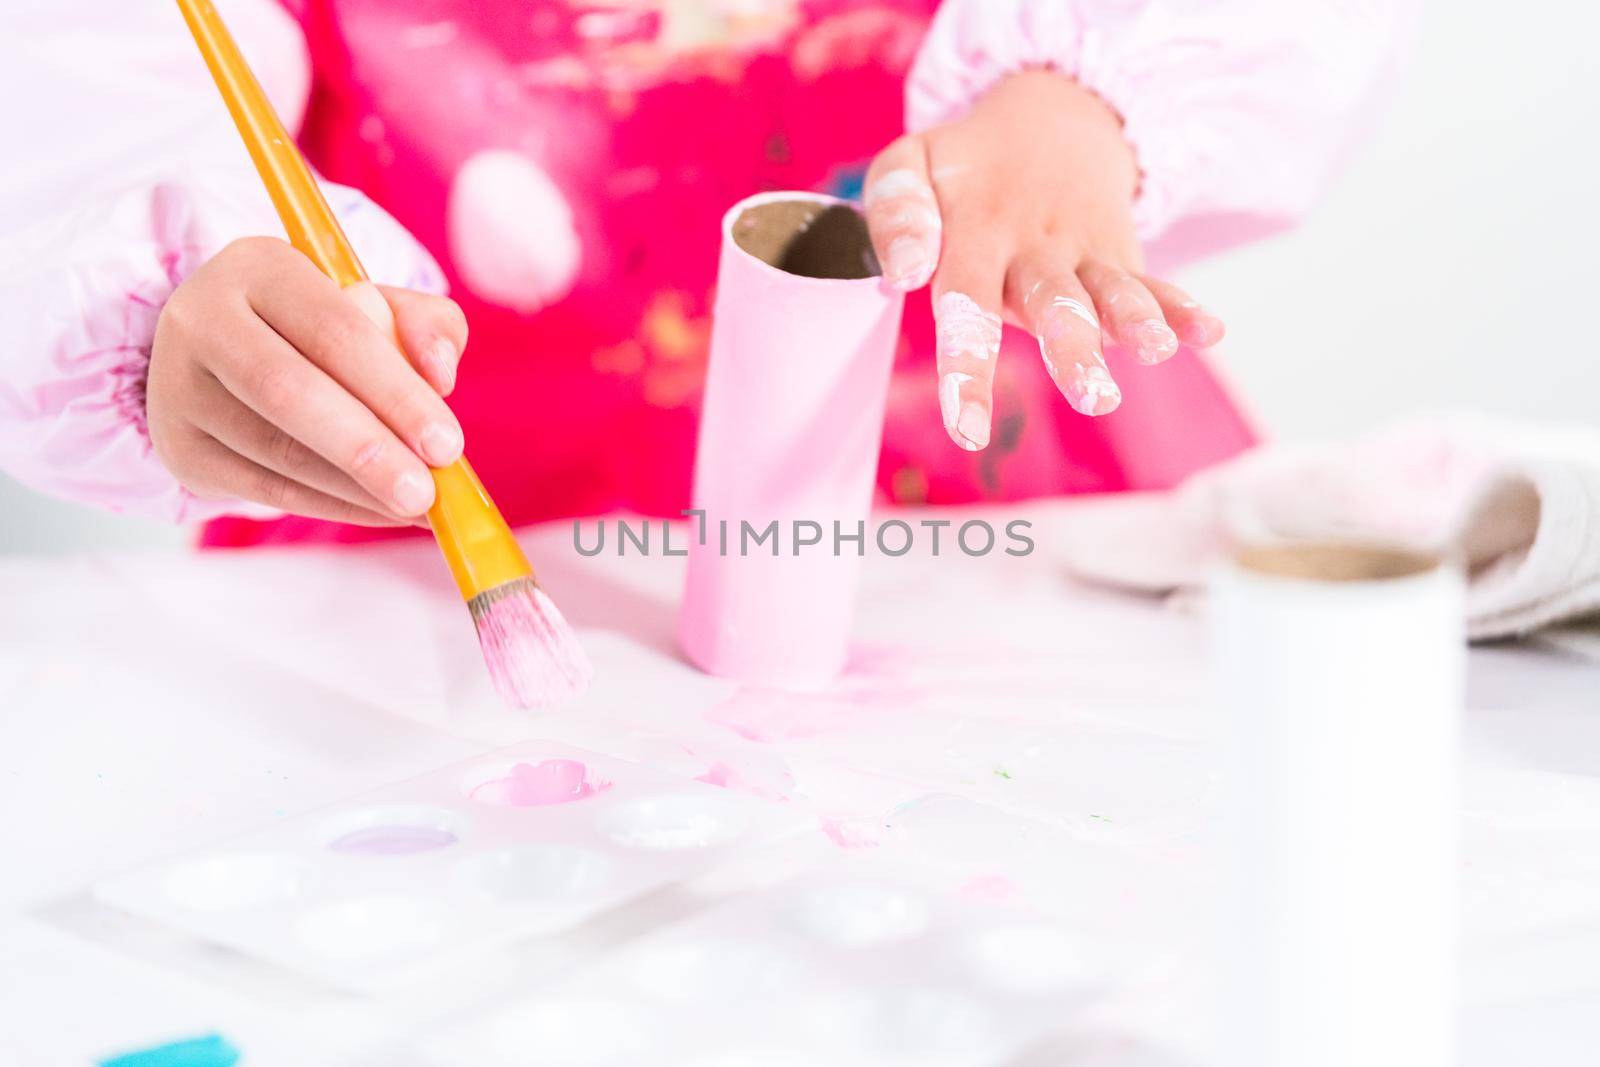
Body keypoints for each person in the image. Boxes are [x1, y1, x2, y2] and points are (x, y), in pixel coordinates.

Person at [0, 1, 1416, 546]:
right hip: (442, 586)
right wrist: (186, 314)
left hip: (1028, 553)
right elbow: (95, 128)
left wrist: (1085, 103)